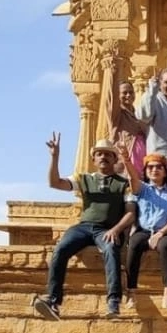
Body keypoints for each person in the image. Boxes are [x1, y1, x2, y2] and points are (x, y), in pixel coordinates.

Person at [32, 134, 135, 320]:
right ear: (94, 159)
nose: (103, 157)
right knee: (61, 249)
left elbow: (130, 213)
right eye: (99, 154)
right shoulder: (84, 178)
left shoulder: (124, 184)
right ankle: (53, 301)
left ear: (114, 159)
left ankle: (113, 302)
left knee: (111, 249)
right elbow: (54, 183)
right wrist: (55, 157)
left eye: (108, 154)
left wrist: (116, 230)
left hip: (106, 229)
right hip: (84, 227)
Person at [117, 144, 167, 311]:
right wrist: (126, 158)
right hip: (144, 230)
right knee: (133, 245)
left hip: (164, 231)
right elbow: (133, 177)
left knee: (166, 246)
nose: (154, 170)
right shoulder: (143, 189)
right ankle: (131, 292)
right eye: (150, 167)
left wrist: (161, 233)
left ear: (164, 171)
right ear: (146, 171)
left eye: (159, 167)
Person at [107, 77, 150, 174]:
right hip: (125, 165)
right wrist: (114, 72)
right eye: (124, 92)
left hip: (142, 167)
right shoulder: (117, 114)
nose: (128, 95)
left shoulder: (138, 115)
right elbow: (111, 99)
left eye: (131, 92)